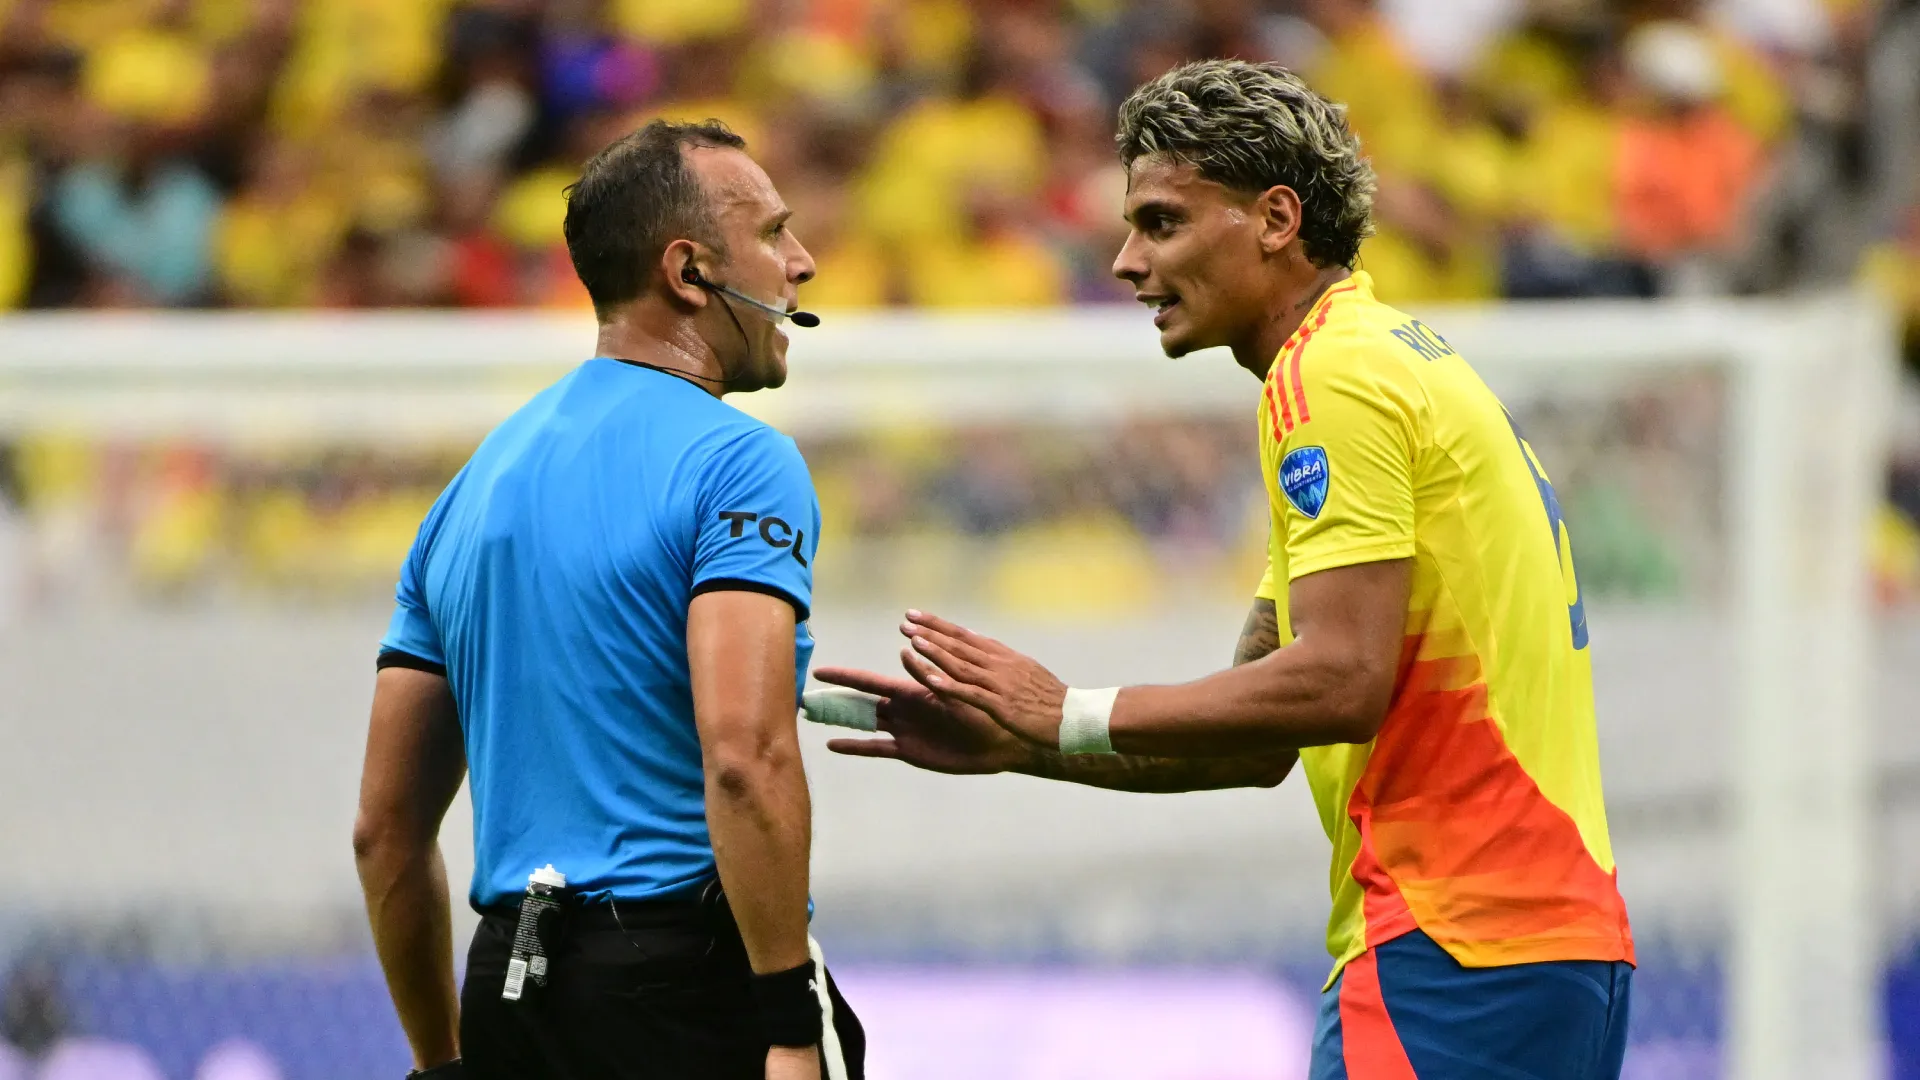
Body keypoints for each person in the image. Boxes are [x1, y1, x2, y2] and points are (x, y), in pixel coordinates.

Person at [818, 61, 1634, 1079]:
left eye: (1161, 223)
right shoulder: (1385, 357)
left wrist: (1063, 706)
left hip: (1454, 947)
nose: (1123, 262)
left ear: (1276, 219)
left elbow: (1341, 682)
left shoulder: (1329, 377)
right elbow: (1257, 737)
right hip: (1539, 945)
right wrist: (1015, 740)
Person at [352, 119, 863, 1080]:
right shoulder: (739, 462)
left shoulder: (472, 489)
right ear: (690, 271)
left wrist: (438, 1063)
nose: (802, 262)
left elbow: (384, 832)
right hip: (691, 984)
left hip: (515, 985)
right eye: (774, 234)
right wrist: (788, 1023)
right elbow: (745, 758)